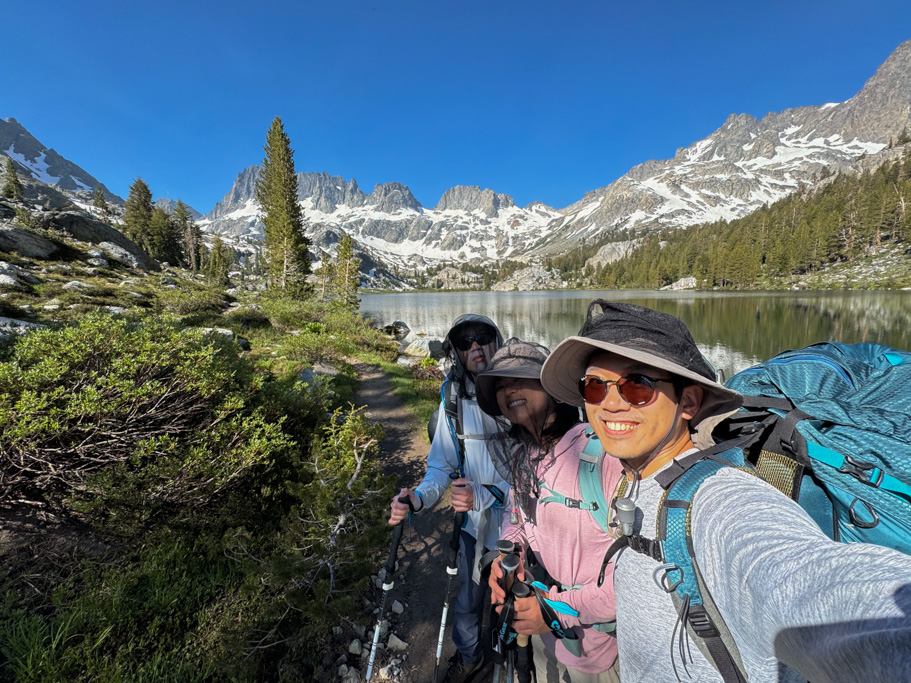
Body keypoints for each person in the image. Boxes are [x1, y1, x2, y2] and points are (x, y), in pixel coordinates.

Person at [537, 299, 911, 683]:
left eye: (637, 386)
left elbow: (815, 586)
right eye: (595, 387)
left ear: (689, 402)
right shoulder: (636, 477)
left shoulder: (722, 501)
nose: (611, 404)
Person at [477, 339, 624, 682]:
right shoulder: (524, 456)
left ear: (552, 386)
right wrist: (507, 557)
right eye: (499, 385)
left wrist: (554, 611)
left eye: (519, 378)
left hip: (601, 651)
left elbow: (631, 582)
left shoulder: (602, 458)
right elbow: (516, 520)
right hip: (545, 639)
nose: (507, 389)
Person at [388, 314, 508, 682]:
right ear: (456, 350)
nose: (475, 346)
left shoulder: (517, 391)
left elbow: (539, 473)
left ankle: (512, 660)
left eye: (482, 337)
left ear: (496, 342)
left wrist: (485, 495)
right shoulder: (452, 401)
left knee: (514, 603)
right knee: (468, 600)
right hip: (472, 526)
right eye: (464, 341)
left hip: (520, 529)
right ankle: (471, 657)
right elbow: (441, 468)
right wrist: (418, 500)